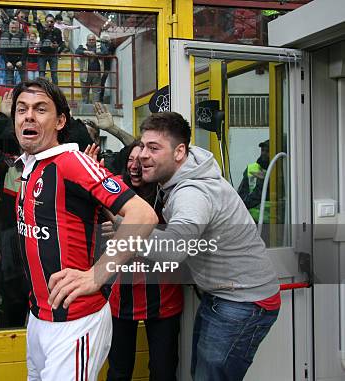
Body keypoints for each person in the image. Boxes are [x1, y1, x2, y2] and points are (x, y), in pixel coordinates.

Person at [51, 112, 281, 381]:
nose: (143, 155)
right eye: (143, 146)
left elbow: (172, 249)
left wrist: (125, 230)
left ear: (180, 151)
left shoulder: (192, 194)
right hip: (223, 294)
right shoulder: (176, 175)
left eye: (154, 148)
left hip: (243, 300)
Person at [12, 78, 157, 380]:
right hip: (40, 318)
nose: (28, 116)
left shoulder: (71, 161)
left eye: (40, 109)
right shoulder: (29, 166)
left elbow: (143, 215)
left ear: (60, 121)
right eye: (21, 109)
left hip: (76, 320)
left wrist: (97, 274)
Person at [99, 141, 183, 381]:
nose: (136, 166)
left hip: (162, 296)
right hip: (121, 294)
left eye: (143, 160)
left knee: (163, 371)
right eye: (131, 160)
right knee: (118, 371)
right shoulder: (115, 189)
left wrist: (124, 231)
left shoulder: (166, 193)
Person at [238, 139, 270, 224]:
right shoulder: (251, 169)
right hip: (252, 221)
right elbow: (241, 194)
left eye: (267, 151)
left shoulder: (279, 171)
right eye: (262, 150)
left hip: (271, 221)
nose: (264, 153)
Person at [76, 34, 103, 104]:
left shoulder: (99, 46)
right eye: (89, 40)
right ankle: (85, 106)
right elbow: (77, 51)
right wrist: (85, 52)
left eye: (93, 39)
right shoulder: (83, 46)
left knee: (96, 92)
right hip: (85, 73)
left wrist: (96, 54)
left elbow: (106, 52)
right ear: (87, 41)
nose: (91, 41)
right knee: (84, 92)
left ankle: (96, 107)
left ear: (95, 40)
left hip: (97, 73)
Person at [37, 14, 63, 84]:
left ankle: (55, 91)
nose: (49, 23)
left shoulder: (57, 31)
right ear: (45, 22)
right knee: (41, 74)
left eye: (51, 22)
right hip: (42, 54)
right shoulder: (42, 30)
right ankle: (42, 90)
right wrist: (46, 30)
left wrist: (57, 46)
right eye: (48, 22)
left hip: (53, 54)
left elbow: (61, 43)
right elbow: (41, 39)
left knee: (54, 74)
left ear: (54, 22)